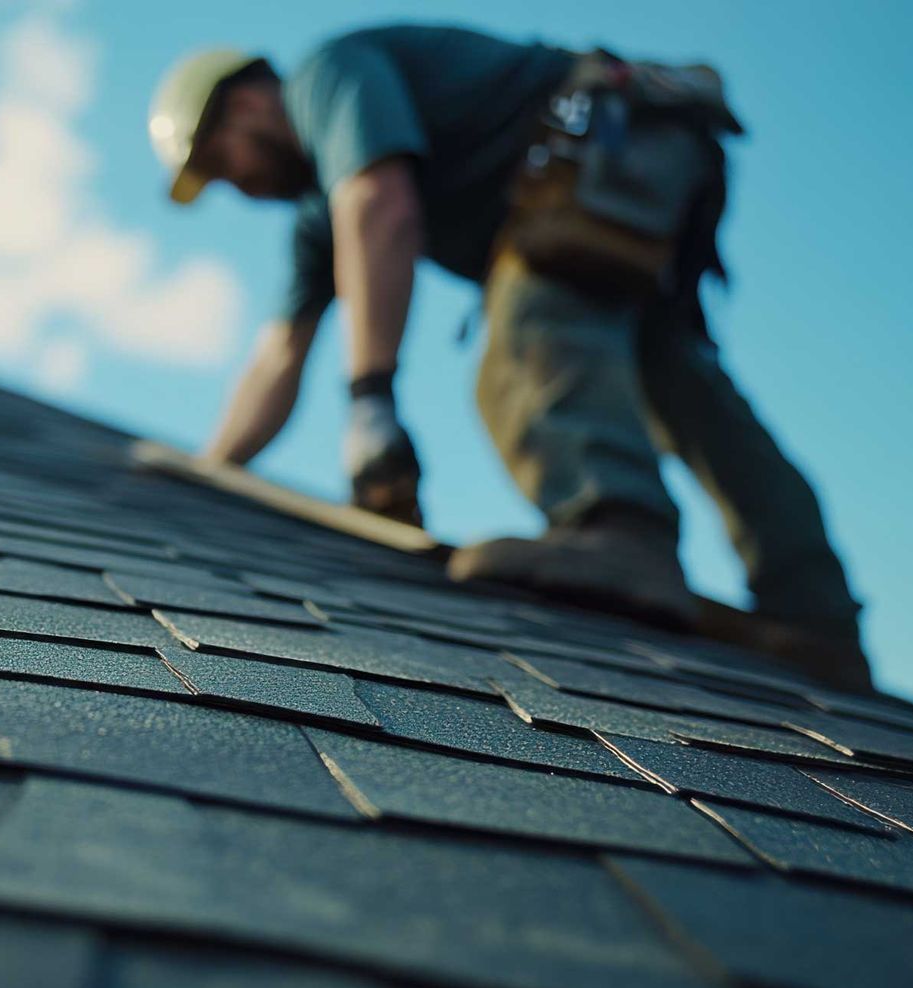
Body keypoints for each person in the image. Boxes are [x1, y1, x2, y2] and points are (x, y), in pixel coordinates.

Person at [148, 24, 870, 688]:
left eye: (220, 164)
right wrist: (212, 469)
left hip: (611, 124)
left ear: (243, 105)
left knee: (529, 329)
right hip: (637, 148)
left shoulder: (326, 78)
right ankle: (816, 614)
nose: (235, 187)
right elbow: (282, 352)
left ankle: (620, 532)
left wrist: (371, 403)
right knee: (671, 374)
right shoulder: (317, 219)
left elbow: (381, 205)